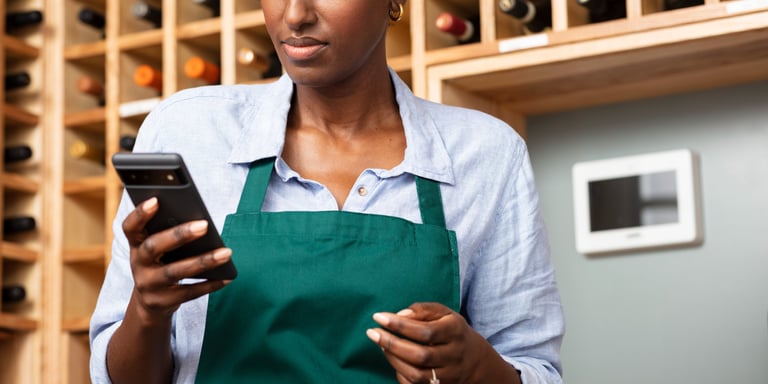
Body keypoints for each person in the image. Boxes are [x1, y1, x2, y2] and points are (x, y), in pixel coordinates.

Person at [90, 1, 565, 383]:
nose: (294, 15)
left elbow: (535, 370)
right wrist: (148, 311)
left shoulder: (487, 154)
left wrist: (478, 369)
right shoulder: (189, 132)